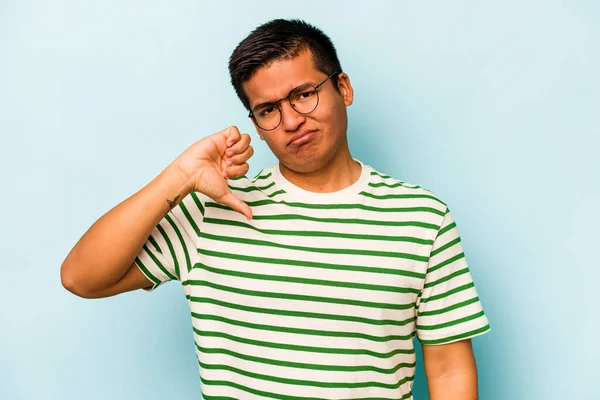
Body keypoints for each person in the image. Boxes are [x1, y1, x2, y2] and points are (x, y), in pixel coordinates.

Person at [61, 18, 490, 400]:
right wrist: (177, 178)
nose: (290, 120)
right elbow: (82, 278)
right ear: (255, 124)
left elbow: (450, 369)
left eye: (303, 94)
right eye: (268, 109)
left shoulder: (422, 218)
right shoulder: (212, 210)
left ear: (343, 88)